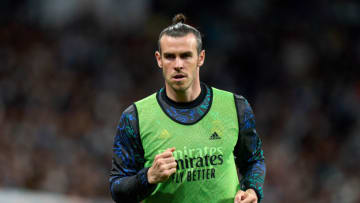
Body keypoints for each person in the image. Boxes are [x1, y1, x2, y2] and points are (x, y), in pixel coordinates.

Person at [109, 13, 266, 203]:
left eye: (185, 56)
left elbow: (253, 160)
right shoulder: (135, 117)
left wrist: (252, 190)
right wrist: (148, 177)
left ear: (201, 57)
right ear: (159, 59)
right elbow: (117, 189)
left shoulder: (235, 107)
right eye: (170, 57)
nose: (177, 65)